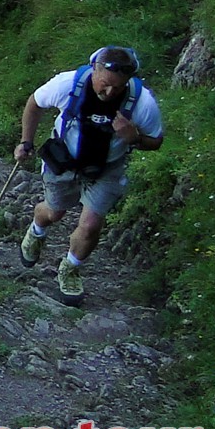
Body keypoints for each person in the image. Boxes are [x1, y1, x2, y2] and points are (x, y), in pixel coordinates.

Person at [14, 47, 164, 305]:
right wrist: (26, 142)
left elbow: (156, 141)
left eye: (117, 88)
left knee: (92, 224)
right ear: (95, 68)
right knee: (54, 212)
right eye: (105, 85)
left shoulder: (142, 102)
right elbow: (34, 104)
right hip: (64, 162)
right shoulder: (68, 84)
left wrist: (135, 138)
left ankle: (70, 268)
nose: (109, 93)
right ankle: (36, 231)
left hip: (107, 168)